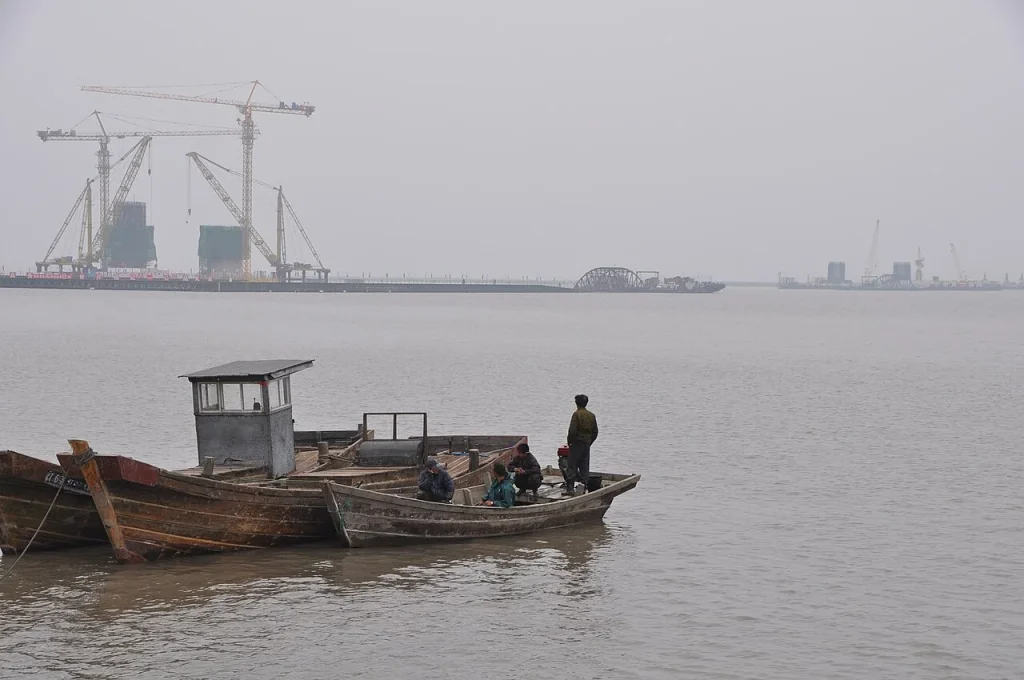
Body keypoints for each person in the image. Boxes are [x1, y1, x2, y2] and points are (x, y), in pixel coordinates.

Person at [565, 394, 598, 496]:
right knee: (584, 466)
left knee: (572, 466)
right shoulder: (591, 415)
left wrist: (570, 442)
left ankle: (570, 489)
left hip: (576, 443)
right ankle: (583, 488)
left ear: (576, 403)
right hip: (586, 443)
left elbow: (572, 431)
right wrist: (589, 442)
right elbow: (595, 432)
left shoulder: (576, 414)